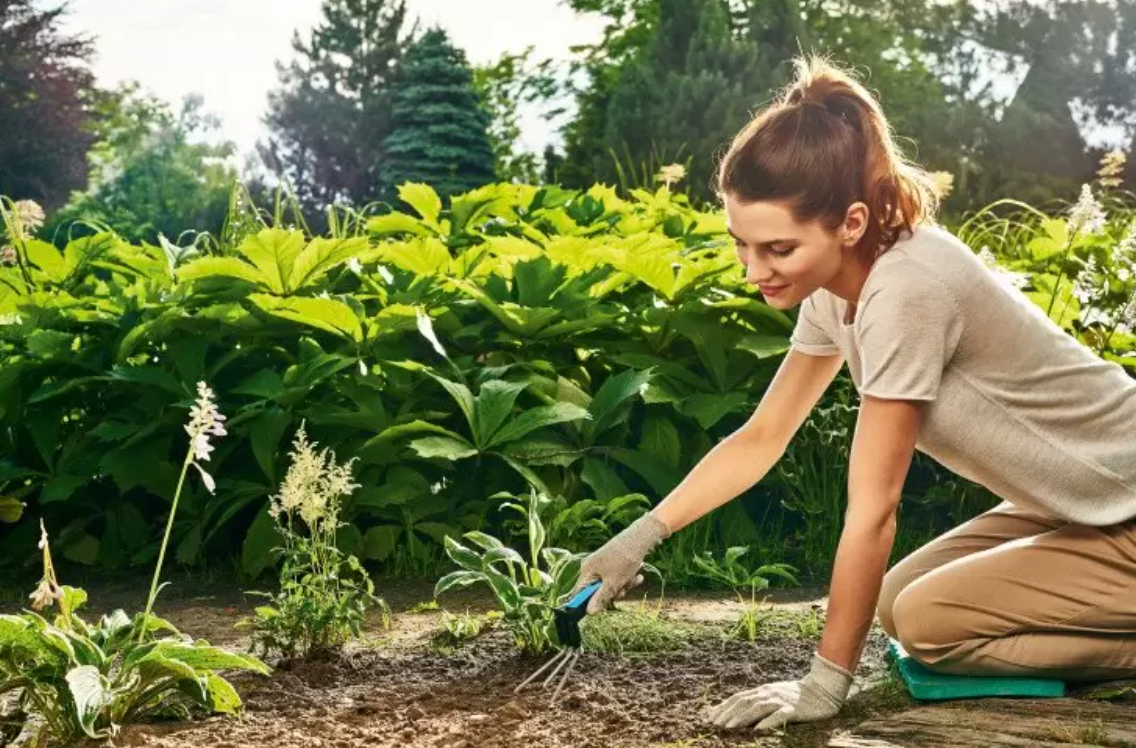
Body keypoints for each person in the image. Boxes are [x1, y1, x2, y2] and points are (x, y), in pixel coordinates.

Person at [568, 54, 1136, 732]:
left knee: (931, 622)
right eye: (741, 245)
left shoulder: (908, 288)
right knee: (899, 603)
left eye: (777, 249)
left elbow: (874, 509)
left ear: (852, 223)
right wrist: (639, 537)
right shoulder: (836, 290)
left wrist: (824, 684)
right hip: (1085, 507)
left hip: (1124, 508)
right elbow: (763, 436)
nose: (755, 271)